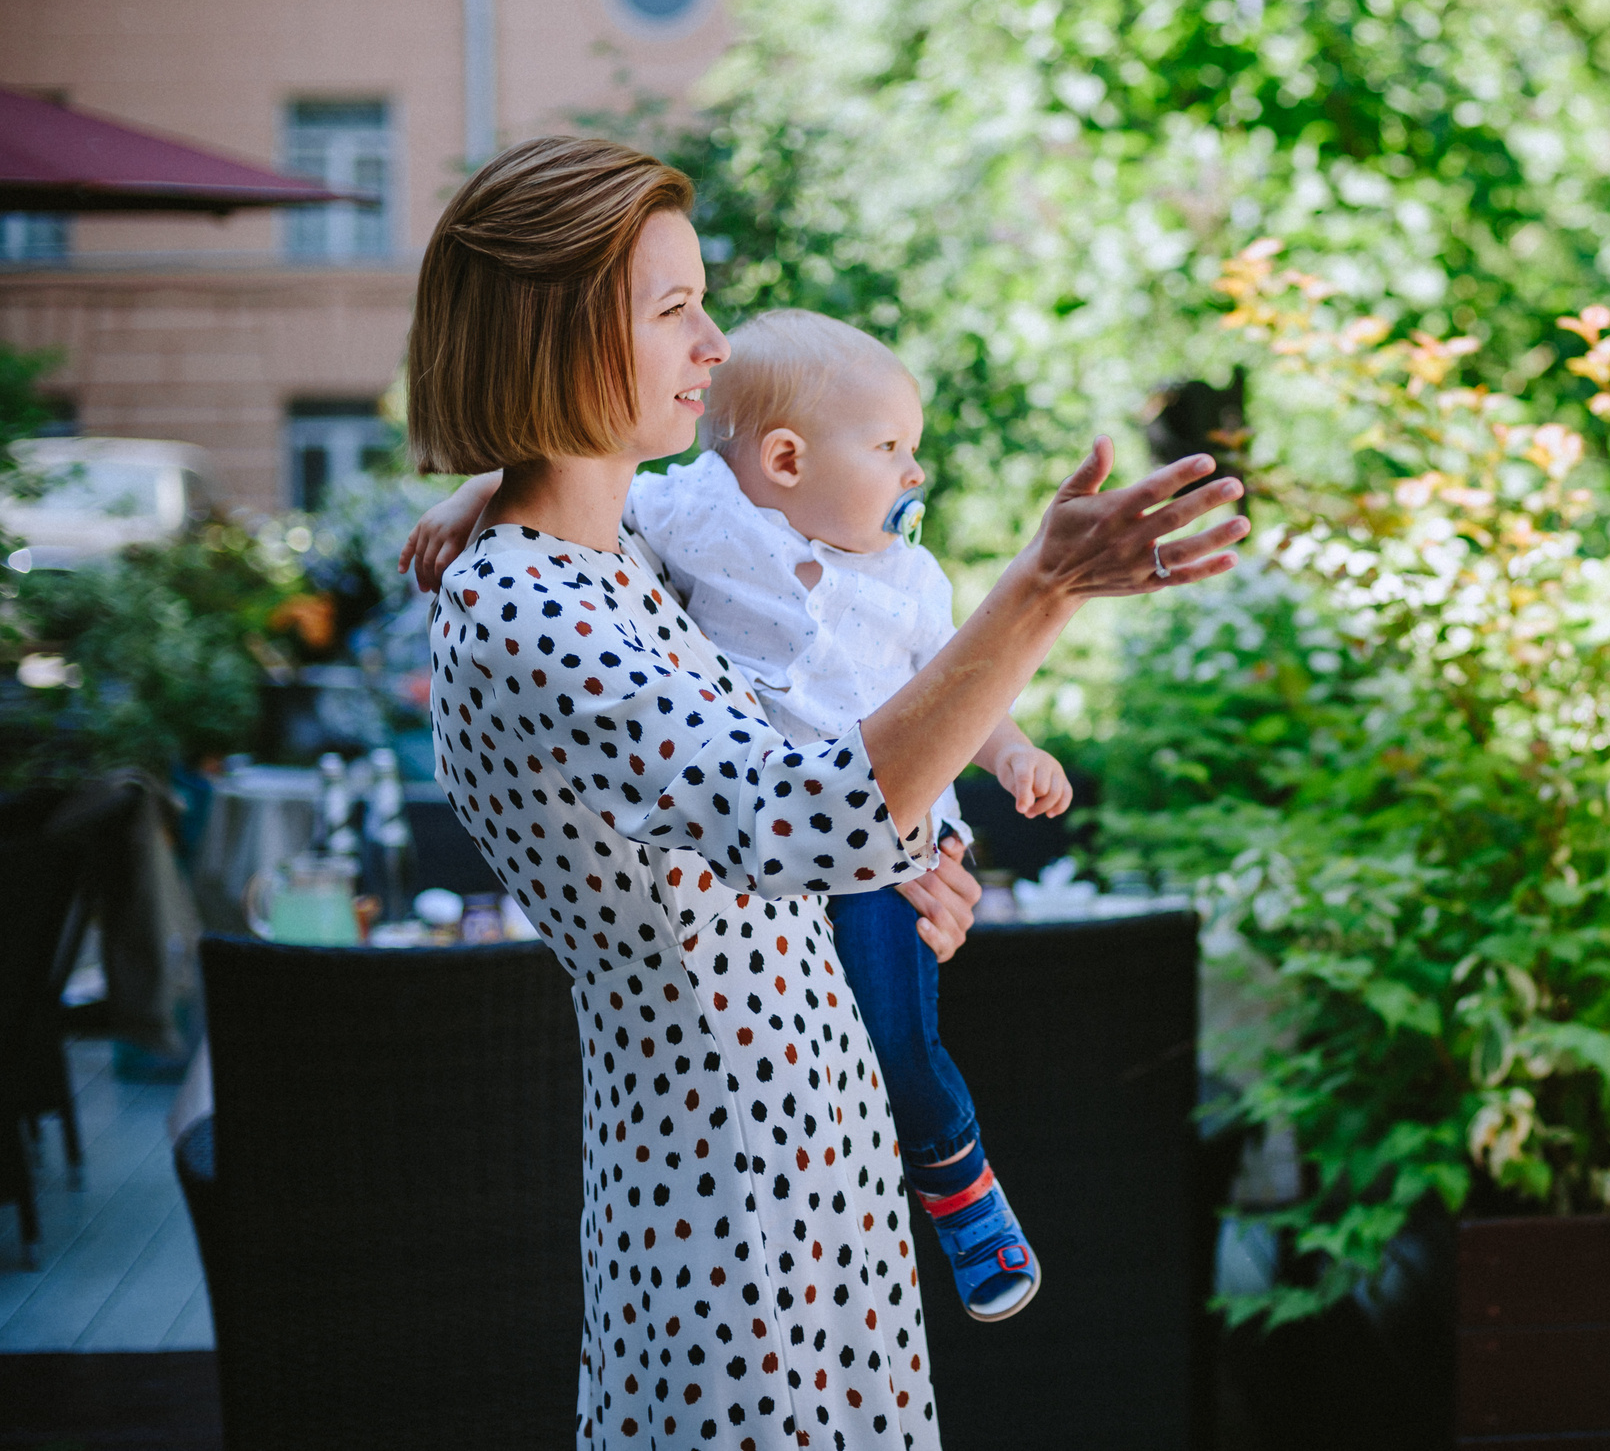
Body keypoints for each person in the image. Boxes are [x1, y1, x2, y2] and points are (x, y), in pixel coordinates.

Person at [401, 136, 1246, 1451]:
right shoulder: (529, 605)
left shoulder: (607, 557)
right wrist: (1037, 592)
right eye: (675, 310)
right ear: (560, 337)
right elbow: (796, 813)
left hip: (811, 1133)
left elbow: (781, 823)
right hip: (729, 1184)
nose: (718, 346)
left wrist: (898, 867)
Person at [405, 310, 1062, 1324]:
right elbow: (564, 488)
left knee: (893, 1031)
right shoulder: (695, 517)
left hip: (887, 854)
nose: (914, 473)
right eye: (890, 449)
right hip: (778, 907)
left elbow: (957, 690)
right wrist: (475, 492)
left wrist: (1009, 755)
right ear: (787, 457)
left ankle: (956, 1171)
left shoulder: (907, 581)